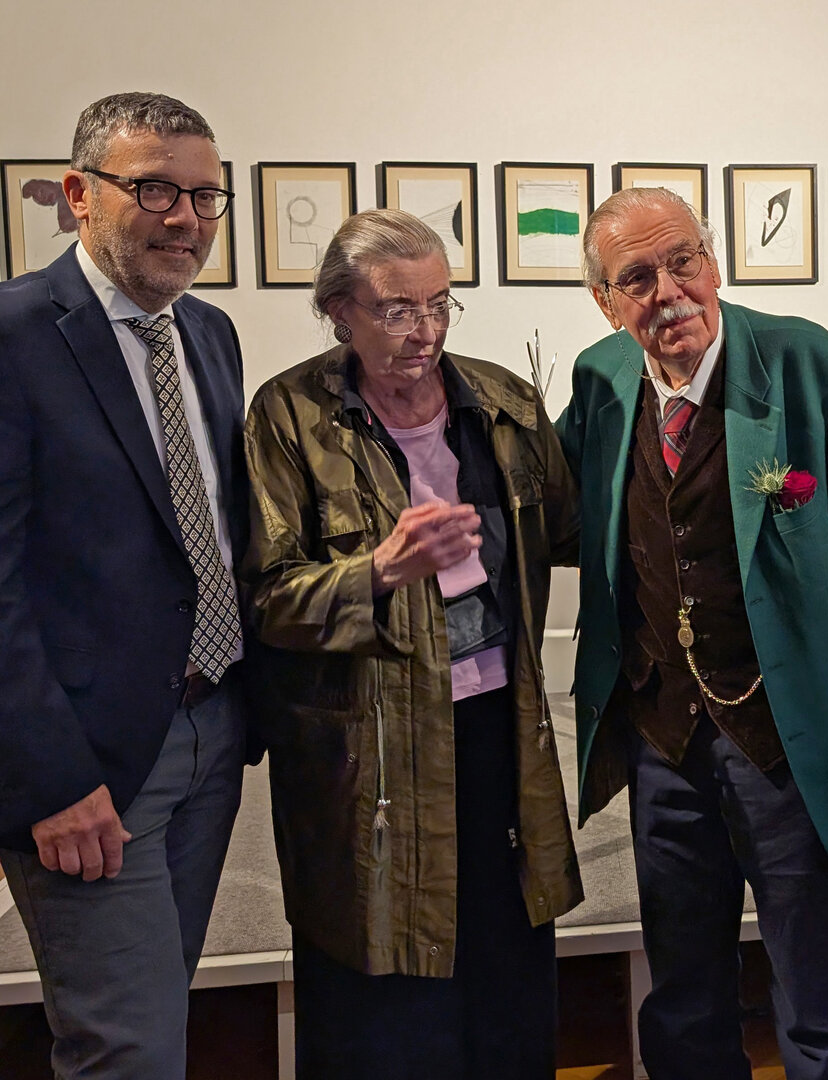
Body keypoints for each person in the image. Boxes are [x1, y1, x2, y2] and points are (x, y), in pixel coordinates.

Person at [555, 186, 828, 1080]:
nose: (669, 290)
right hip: (659, 735)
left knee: (817, 980)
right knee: (683, 984)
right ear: (604, 301)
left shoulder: (813, 365)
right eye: (636, 277)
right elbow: (549, 511)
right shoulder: (600, 380)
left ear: (713, 260)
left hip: (786, 734)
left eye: (684, 260)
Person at [241, 208, 582, 1077]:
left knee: (507, 974)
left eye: (439, 305)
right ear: (337, 311)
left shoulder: (504, 402)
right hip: (371, 755)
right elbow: (269, 601)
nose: (423, 331)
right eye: (396, 309)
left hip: (500, 735)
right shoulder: (289, 415)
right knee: (387, 993)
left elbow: (578, 532)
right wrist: (380, 571)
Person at [0, 92, 248, 1079]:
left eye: (203, 197)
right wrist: (49, 781)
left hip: (212, 731)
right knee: (125, 1049)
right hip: (89, 765)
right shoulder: (15, 336)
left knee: (158, 1014)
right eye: (153, 190)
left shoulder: (212, 336)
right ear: (77, 194)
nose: (185, 220)